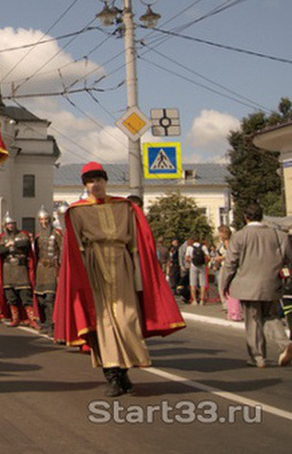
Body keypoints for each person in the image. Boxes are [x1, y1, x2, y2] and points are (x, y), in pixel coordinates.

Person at [55, 162, 185, 397]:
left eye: (99, 179)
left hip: (122, 263)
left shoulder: (124, 207)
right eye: (91, 181)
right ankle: (113, 376)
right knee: (104, 323)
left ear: (106, 181)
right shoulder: (76, 211)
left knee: (127, 319)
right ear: (86, 185)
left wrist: (140, 278)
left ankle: (124, 371)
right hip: (94, 266)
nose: (96, 185)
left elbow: (138, 245)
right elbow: (74, 249)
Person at [219, 201, 292, 368]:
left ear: (246, 218)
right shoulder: (278, 235)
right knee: (271, 316)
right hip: (271, 283)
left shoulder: (239, 237)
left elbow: (230, 263)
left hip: (247, 286)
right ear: (261, 216)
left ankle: (258, 357)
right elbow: (288, 257)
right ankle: (285, 343)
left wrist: (225, 284)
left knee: (253, 321)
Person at [0, 214, 38, 329]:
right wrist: (10, 247)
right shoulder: (3, 238)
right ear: (5, 226)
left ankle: (32, 320)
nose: (10, 226)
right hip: (8, 270)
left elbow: (25, 244)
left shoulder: (22, 235)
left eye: (12, 224)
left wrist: (13, 244)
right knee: (11, 297)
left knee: (26, 297)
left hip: (21, 269)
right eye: (8, 224)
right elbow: (1, 250)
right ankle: (15, 318)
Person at [33, 207, 61, 336]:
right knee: (40, 298)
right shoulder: (37, 236)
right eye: (41, 220)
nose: (44, 222)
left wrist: (58, 264)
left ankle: (52, 324)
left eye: (45, 219)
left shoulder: (57, 234)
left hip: (52, 268)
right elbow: (35, 253)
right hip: (41, 268)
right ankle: (45, 322)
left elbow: (62, 251)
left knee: (50, 297)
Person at [187, 240, 208, 306]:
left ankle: (194, 300)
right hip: (202, 266)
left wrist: (191, 260)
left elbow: (186, 258)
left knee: (193, 284)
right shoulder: (203, 247)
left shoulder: (189, 248)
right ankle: (202, 300)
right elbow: (208, 257)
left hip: (193, 266)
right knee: (202, 284)